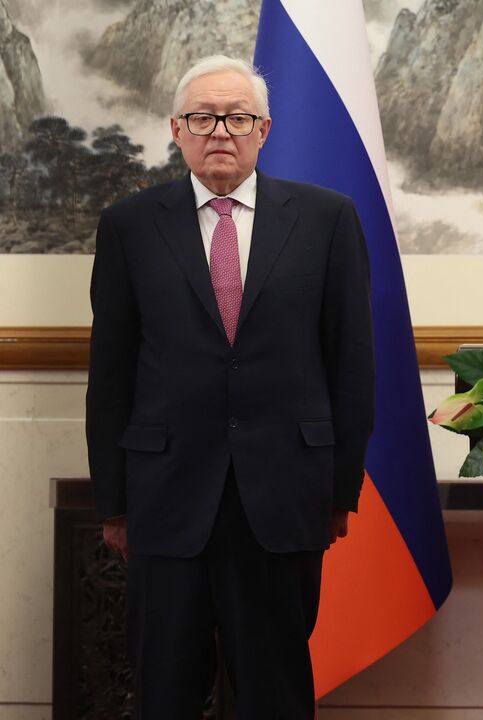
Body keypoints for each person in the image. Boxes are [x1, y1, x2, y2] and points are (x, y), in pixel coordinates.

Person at [85, 55, 374, 718]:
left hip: (283, 499)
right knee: (165, 688)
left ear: (264, 130)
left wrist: (339, 491)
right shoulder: (129, 226)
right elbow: (112, 373)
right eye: (203, 117)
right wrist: (114, 501)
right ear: (176, 129)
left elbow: (350, 364)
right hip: (165, 496)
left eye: (238, 117)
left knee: (274, 690)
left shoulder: (326, 220)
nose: (221, 130)